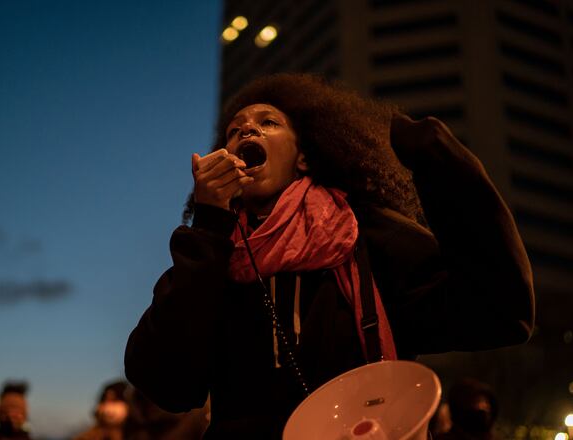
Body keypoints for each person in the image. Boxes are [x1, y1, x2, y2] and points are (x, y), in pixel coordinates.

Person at [124, 73, 535, 438]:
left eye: (268, 123)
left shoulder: (367, 236)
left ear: (303, 157)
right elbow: (165, 382)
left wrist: (441, 161)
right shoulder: (212, 258)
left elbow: (498, 313)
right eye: (234, 131)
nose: (247, 132)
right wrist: (210, 227)